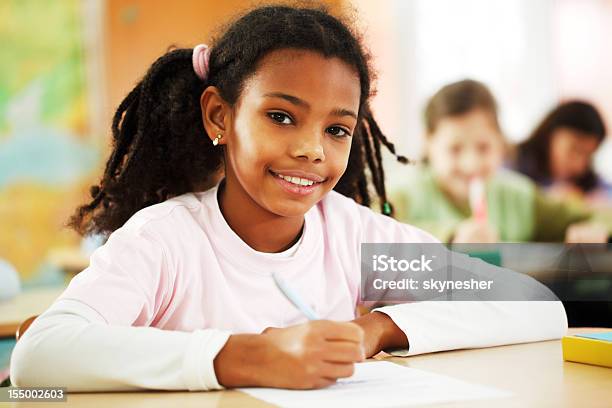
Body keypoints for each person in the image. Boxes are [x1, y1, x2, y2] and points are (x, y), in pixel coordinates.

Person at [10, 6, 566, 392]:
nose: (310, 150)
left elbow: (533, 304)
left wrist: (377, 330)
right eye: (281, 117)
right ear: (219, 116)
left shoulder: (356, 237)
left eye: (337, 130)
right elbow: (41, 354)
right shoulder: (165, 240)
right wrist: (248, 356)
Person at [391, 79, 608, 243]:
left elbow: (597, 215)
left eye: (483, 148)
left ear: (500, 143)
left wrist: (596, 228)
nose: (471, 164)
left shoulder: (518, 196)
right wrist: (450, 235)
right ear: (428, 143)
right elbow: (370, 236)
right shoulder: (403, 195)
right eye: (454, 149)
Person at [515, 101, 609, 203]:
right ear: (549, 136)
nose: (579, 165)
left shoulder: (587, 180)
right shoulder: (513, 162)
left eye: (588, 156)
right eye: (574, 149)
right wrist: (545, 198)